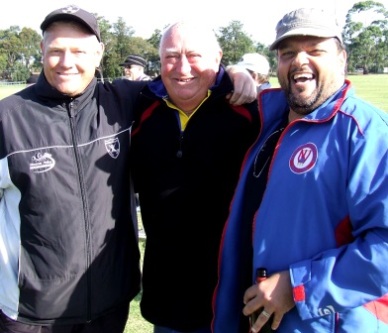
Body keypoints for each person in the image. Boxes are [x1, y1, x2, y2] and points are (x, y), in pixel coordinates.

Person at [0, 5, 256, 333]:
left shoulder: (125, 101)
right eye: (56, 50)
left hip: (120, 307)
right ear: (41, 51)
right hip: (33, 314)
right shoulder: (9, 118)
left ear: (98, 53)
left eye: (79, 50)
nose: (67, 62)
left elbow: (191, 75)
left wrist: (236, 73)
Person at [212, 7, 388, 333]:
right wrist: (234, 71)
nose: (299, 60)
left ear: (341, 59)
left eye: (315, 50)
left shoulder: (367, 132)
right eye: (288, 52)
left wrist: (296, 287)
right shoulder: (268, 121)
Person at [131, 21, 260, 333]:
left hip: (232, 301)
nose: (182, 67)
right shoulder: (140, 108)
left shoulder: (251, 111)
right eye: (171, 57)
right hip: (167, 302)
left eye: (194, 56)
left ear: (217, 59)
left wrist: (239, 73)